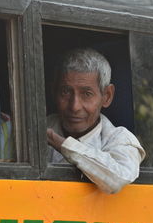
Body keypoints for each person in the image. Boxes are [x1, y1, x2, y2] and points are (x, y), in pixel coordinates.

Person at [46, 48, 145, 193]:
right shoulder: (36, 127)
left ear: (107, 96)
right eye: (66, 92)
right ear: (54, 91)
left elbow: (118, 178)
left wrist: (63, 145)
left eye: (87, 94)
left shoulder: (119, 139)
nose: (75, 106)